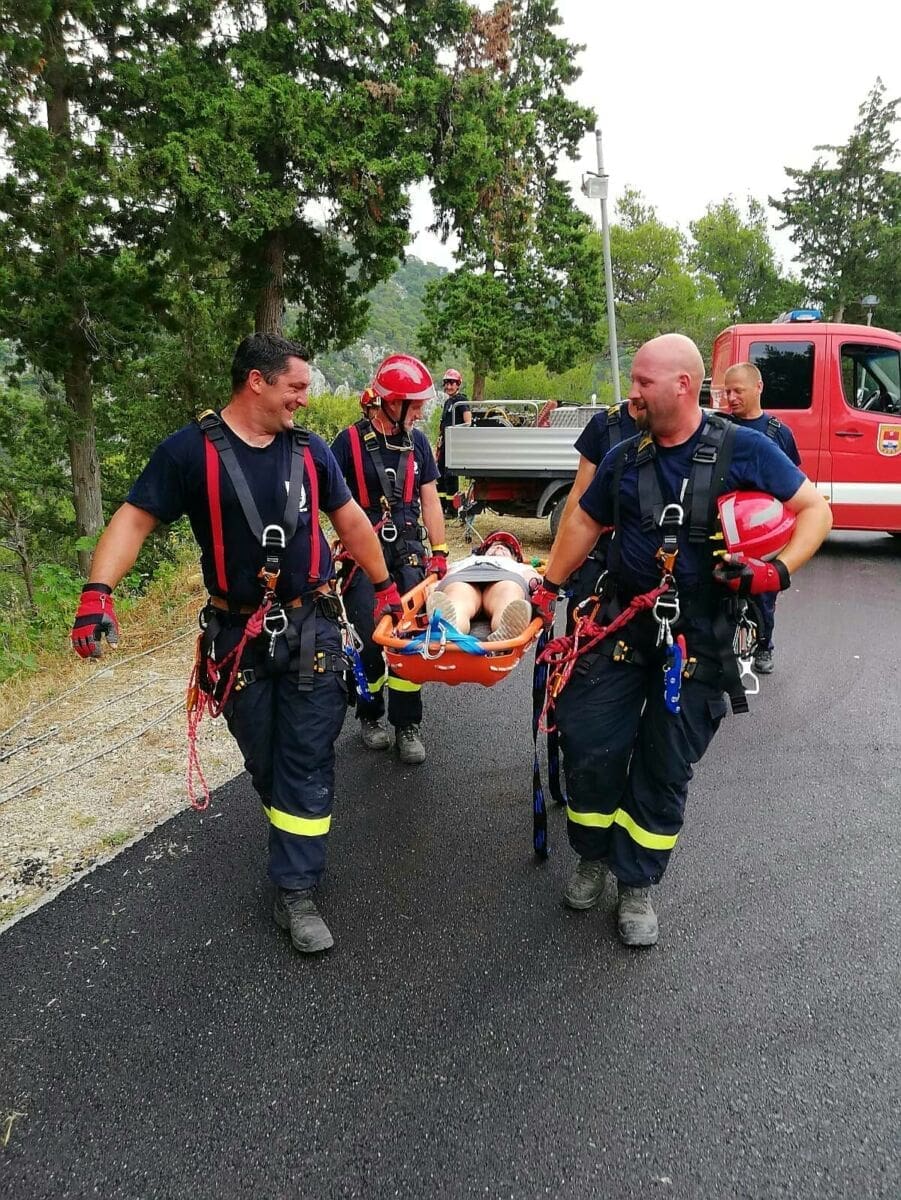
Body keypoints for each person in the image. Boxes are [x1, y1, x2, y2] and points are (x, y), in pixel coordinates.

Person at [69, 333, 401, 955]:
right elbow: (134, 518)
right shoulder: (188, 452)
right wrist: (97, 593)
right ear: (256, 382)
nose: (304, 399)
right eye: (295, 387)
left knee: (306, 756)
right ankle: (294, 839)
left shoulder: (311, 451)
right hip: (236, 640)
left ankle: (296, 892)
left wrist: (385, 589)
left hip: (313, 629)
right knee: (266, 762)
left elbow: (350, 519)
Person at [531, 334, 832, 949]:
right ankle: (592, 856)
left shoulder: (745, 448)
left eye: (643, 382)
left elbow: (815, 511)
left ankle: (636, 881)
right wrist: (548, 587)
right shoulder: (623, 456)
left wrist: (774, 571)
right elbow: (584, 518)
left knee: (664, 765)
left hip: (699, 638)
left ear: (683, 386)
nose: (632, 393)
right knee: (588, 743)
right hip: (622, 625)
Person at [331, 354, 447, 765]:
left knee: (409, 643)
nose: (421, 412)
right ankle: (369, 714)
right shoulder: (348, 443)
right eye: (415, 405)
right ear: (392, 402)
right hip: (364, 559)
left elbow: (430, 500)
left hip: (409, 556)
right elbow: (329, 502)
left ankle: (407, 724)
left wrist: (439, 552)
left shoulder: (418, 444)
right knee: (368, 639)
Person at [722, 362, 802, 675]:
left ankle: (764, 645)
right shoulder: (720, 429)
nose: (731, 398)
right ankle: (721, 655)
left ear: (758, 388)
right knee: (722, 591)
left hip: (764, 532)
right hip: (726, 528)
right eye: (727, 391)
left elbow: (794, 483)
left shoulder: (779, 434)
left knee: (764, 594)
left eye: (738, 391)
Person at [556, 398, 640, 624]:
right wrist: (557, 564)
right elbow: (579, 494)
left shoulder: (679, 435)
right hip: (600, 558)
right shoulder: (603, 426)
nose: (635, 392)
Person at [425, 531, 539, 642]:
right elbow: (448, 573)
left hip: (505, 577)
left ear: (515, 557)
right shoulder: (468, 560)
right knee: (457, 594)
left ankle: (506, 628)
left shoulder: (518, 566)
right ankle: (452, 627)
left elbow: (532, 577)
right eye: (494, 546)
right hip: (465, 576)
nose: (499, 547)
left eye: (506, 547)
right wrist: (436, 585)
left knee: (508, 592)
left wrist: (535, 583)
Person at [434, 367, 472, 514]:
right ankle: (441, 507)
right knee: (440, 476)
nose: (449, 386)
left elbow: (467, 421)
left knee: (450, 477)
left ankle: (452, 509)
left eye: (452, 383)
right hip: (444, 444)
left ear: (458, 385)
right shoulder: (448, 402)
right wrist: (439, 443)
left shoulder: (461, 401)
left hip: (454, 445)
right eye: (447, 383)